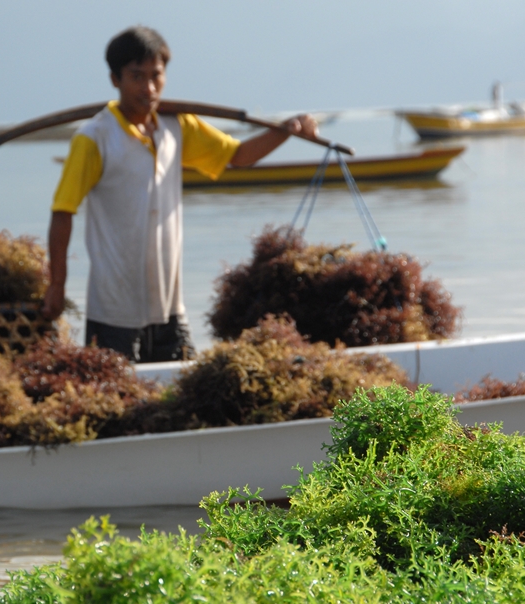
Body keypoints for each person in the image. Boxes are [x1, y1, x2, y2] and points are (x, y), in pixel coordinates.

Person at [41, 25, 319, 363]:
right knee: (116, 403)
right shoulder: (94, 138)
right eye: (136, 77)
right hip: (114, 308)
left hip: (169, 305)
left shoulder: (176, 127)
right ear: (115, 80)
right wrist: (57, 286)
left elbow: (238, 156)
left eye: (156, 76)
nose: (149, 87)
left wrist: (286, 131)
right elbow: (62, 212)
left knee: (181, 396)